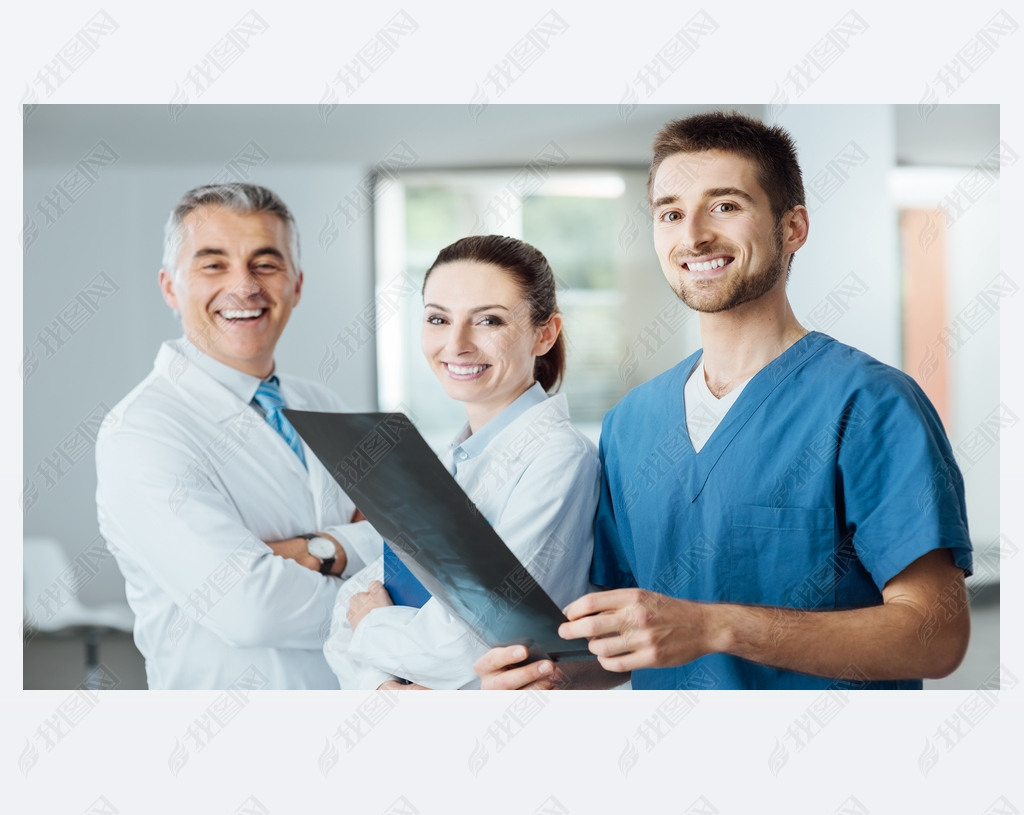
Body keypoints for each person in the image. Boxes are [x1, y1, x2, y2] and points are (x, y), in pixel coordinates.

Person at [475, 111, 973, 692]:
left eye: (726, 206)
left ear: (792, 228)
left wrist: (717, 627)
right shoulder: (631, 423)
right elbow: (630, 638)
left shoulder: (871, 404)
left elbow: (936, 638)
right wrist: (549, 677)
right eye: (671, 213)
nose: (693, 236)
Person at [96, 183, 380, 689]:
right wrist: (373, 591)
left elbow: (403, 542)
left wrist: (313, 549)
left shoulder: (325, 406)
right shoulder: (141, 432)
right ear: (169, 287)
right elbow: (249, 608)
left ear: (296, 285)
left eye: (266, 264)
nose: (244, 286)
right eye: (213, 264)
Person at [319, 235, 599, 690]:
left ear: (544, 334)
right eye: (437, 319)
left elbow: (467, 646)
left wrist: (372, 627)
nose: (456, 344)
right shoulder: (448, 461)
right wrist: (385, 689)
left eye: (488, 320)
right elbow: (342, 618)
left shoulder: (560, 458)